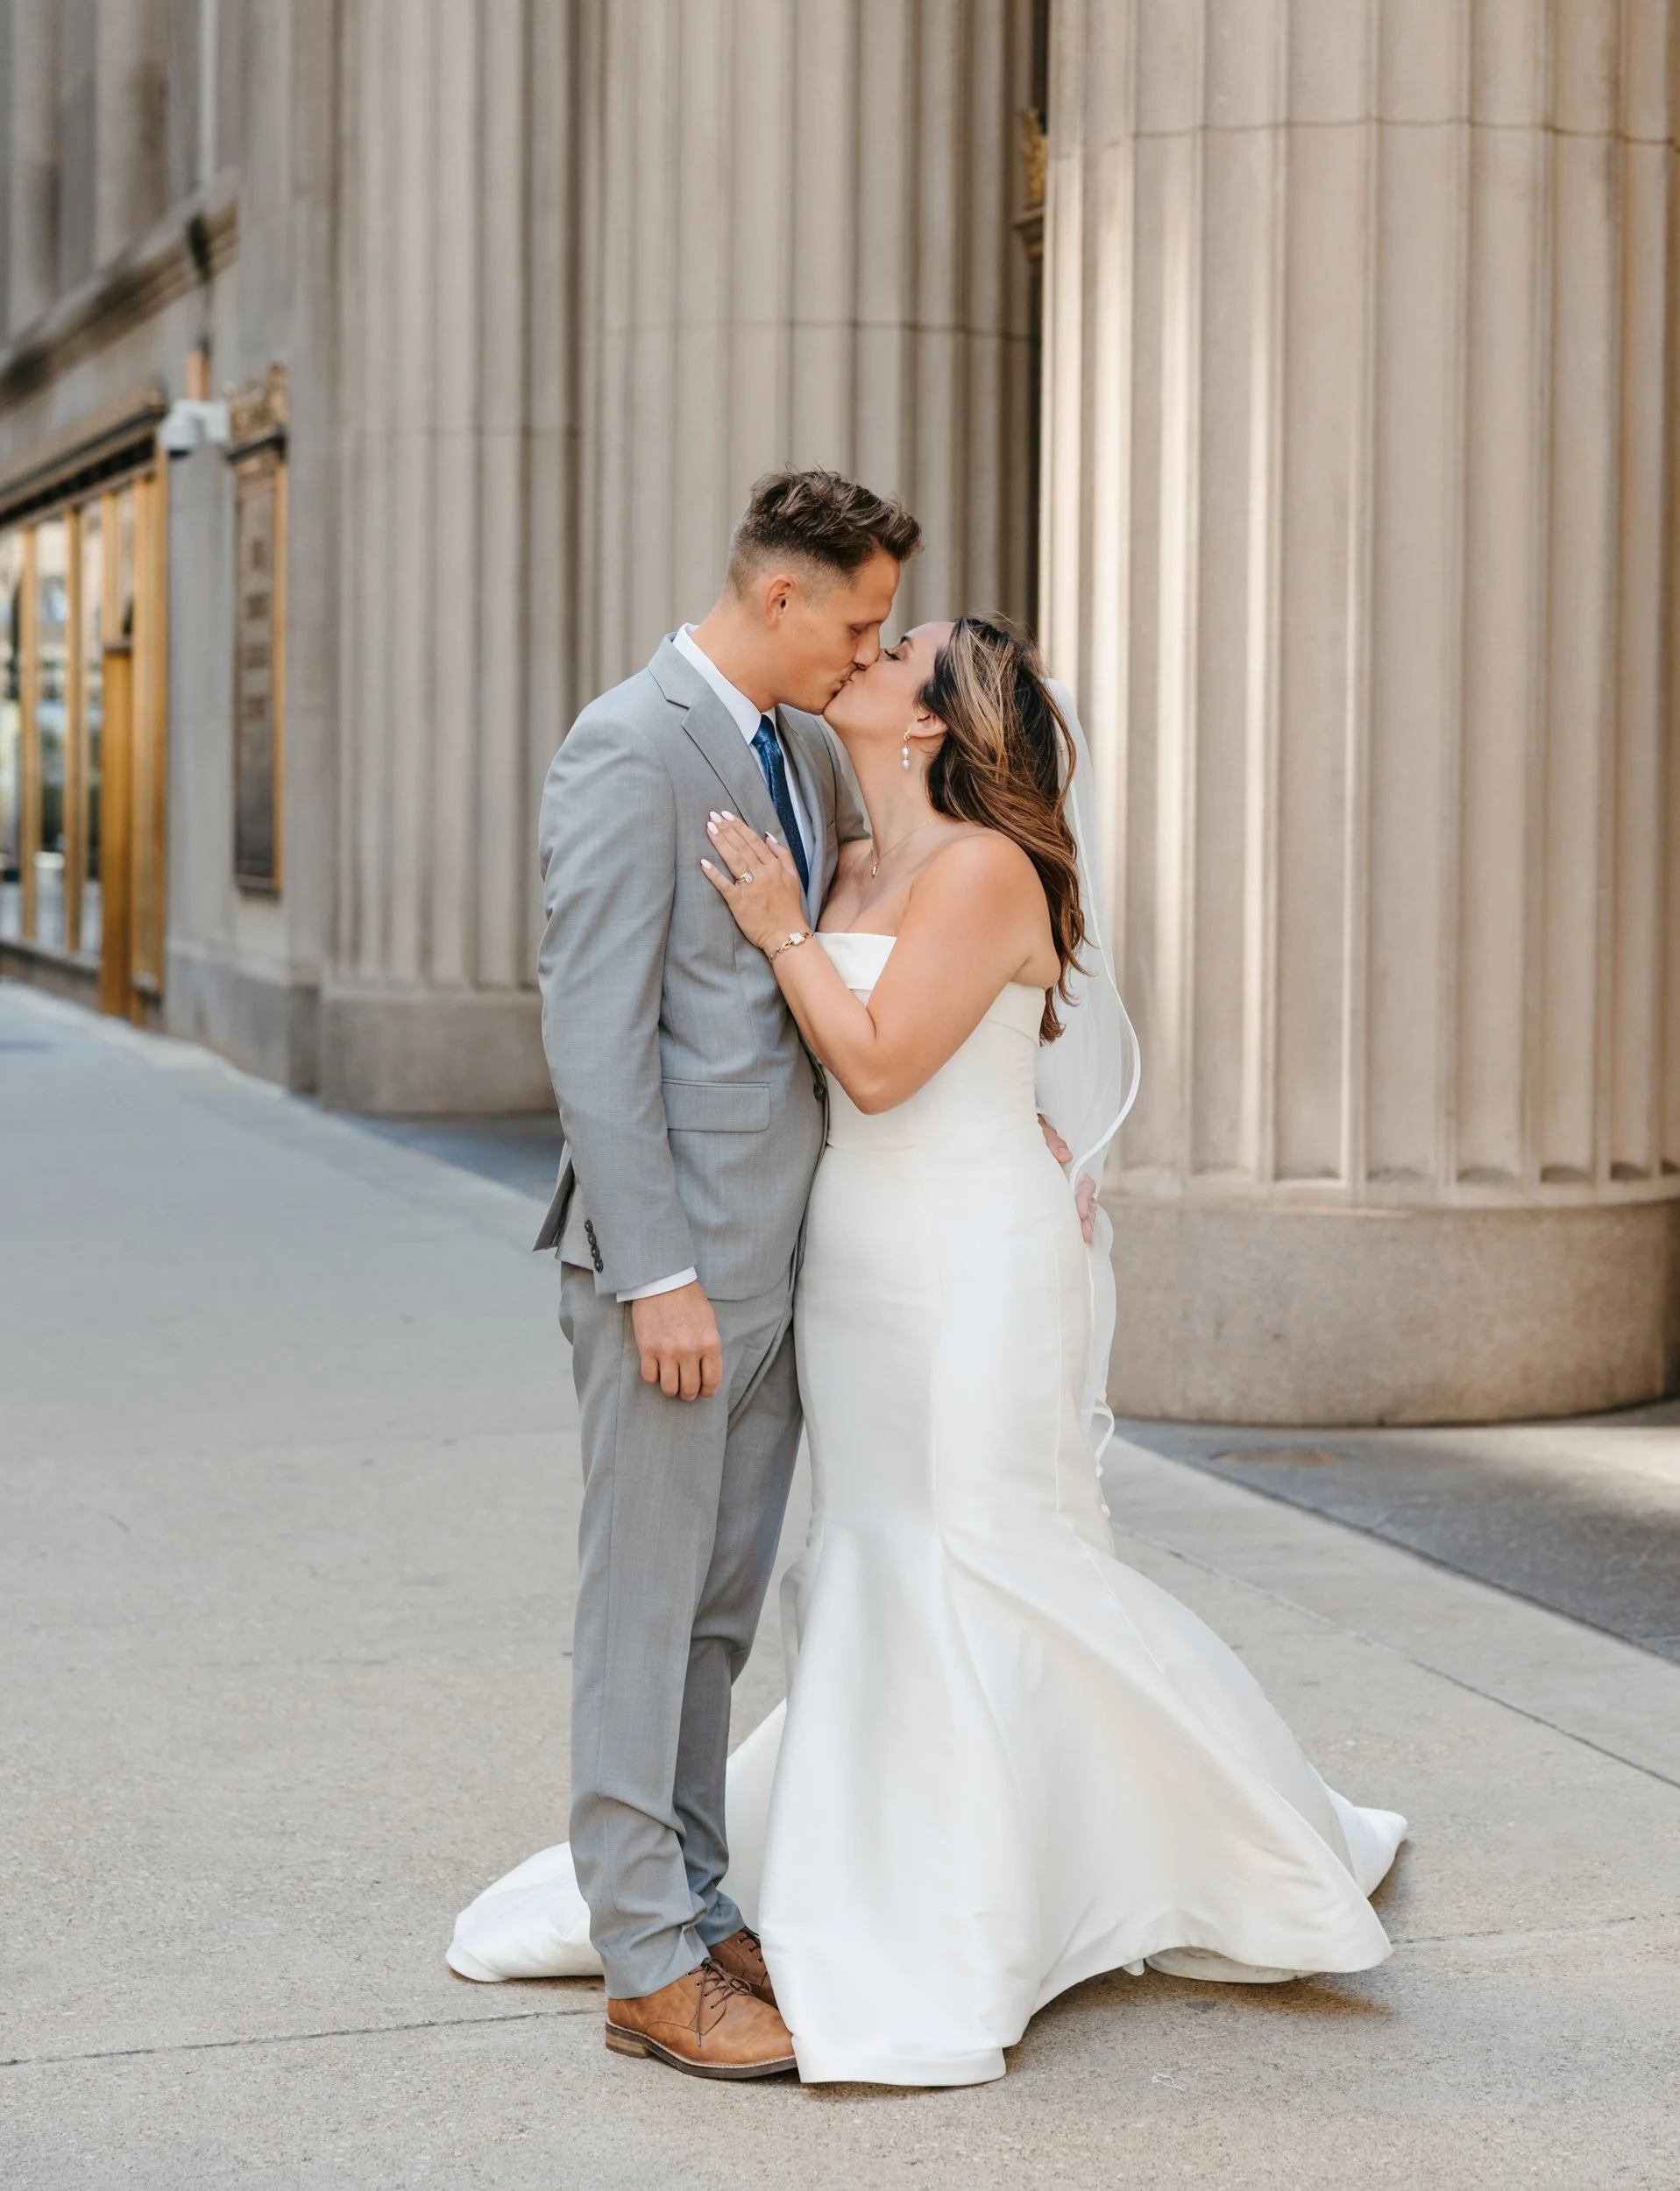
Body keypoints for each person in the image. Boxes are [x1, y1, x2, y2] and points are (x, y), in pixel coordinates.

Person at [451, 606, 1406, 2088]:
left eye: (900, 653)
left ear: (933, 722)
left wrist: (782, 935)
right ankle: (828, 1864)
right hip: (855, 1267)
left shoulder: (979, 868)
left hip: (972, 1265)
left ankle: (1096, 1871)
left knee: (983, 1549)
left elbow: (885, 1066)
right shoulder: (842, 847)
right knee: (880, 1545)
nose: (869, 653)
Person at [514, 468, 920, 2079]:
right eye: (861, 621)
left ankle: (692, 1900)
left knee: (714, 1617)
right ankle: (642, 1960)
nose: (867, 651)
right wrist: (652, 1273)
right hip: (677, 1277)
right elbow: (593, 1037)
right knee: (641, 1608)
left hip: (785, 1267)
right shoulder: (628, 745)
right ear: (780, 599)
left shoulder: (804, 751)